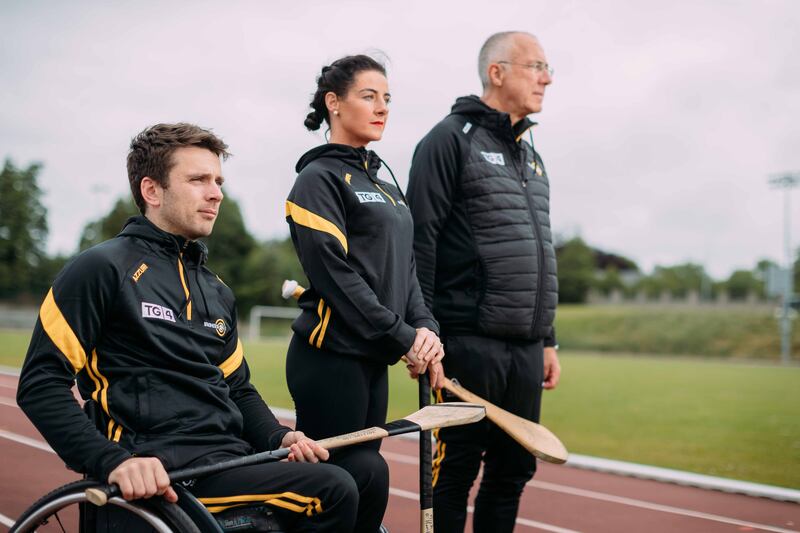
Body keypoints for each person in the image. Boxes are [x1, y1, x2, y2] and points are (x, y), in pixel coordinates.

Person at [16, 123, 358, 532]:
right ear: (152, 190)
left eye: (218, 182)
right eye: (198, 180)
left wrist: (278, 438)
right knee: (333, 489)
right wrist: (113, 461)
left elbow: (238, 389)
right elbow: (40, 384)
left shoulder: (216, 290)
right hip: (166, 473)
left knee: (367, 472)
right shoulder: (100, 269)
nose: (216, 194)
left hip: (228, 460)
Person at [406, 31, 562, 533]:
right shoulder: (448, 140)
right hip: (467, 341)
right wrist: (426, 333)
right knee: (456, 469)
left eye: (548, 68)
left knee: (514, 470)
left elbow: (539, 252)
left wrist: (548, 339)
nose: (546, 78)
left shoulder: (531, 155)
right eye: (536, 66)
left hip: (526, 346)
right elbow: (420, 242)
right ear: (497, 72)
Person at [285, 54, 445, 532]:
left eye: (387, 98)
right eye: (369, 96)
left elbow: (406, 270)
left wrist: (425, 330)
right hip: (330, 358)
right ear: (334, 103)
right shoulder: (317, 180)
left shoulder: (386, 183)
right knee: (341, 484)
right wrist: (403, 337)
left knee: (366, 477)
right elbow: (337, 278)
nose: (382, 108)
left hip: (372, 358)